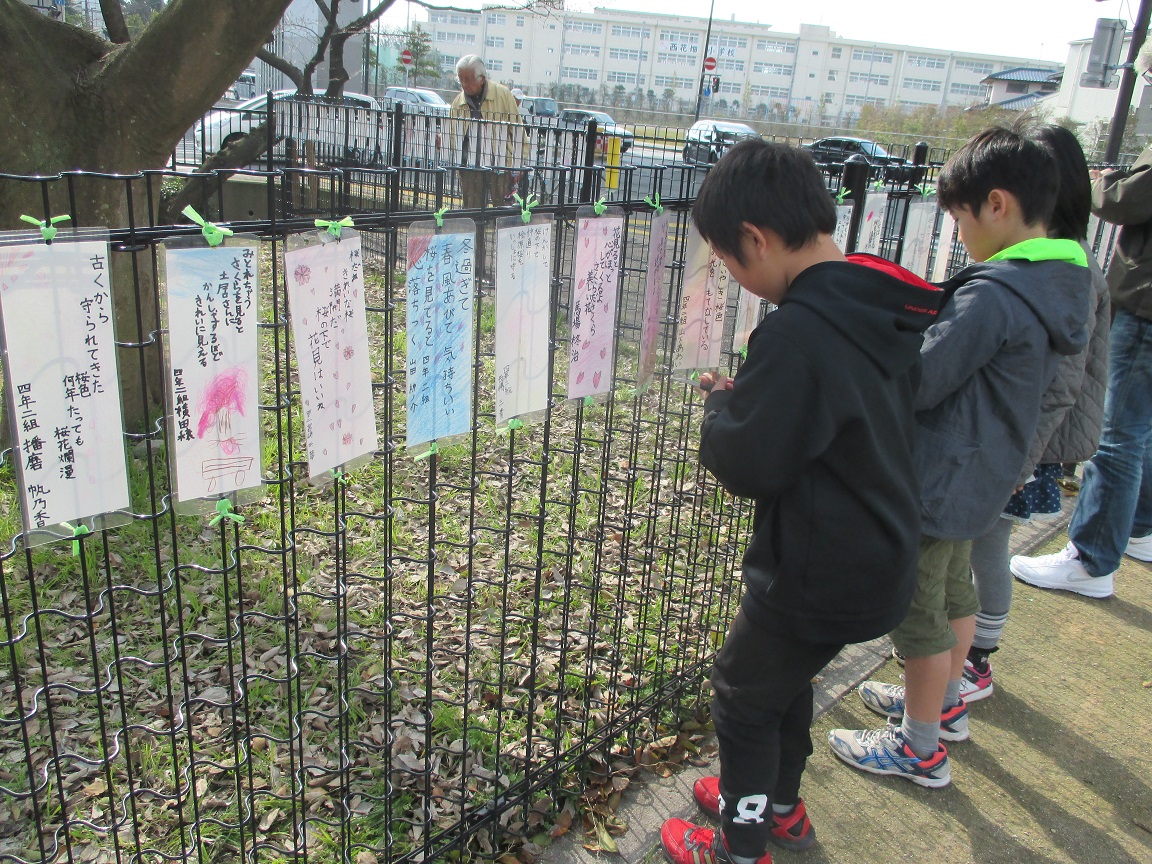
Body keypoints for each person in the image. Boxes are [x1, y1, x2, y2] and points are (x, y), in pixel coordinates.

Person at [660, 139, 941, 864]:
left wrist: (723, 414)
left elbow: (750, 461)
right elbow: (825, 422)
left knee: (743, 696)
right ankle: (777, 807)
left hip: (818, 570)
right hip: (877, 552)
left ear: (755, 239)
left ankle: (740, 842)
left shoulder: (801, 332)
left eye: (728, 260)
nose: (731, 272)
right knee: (783, 681)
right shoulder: (874, 306)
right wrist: (754, 397)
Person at [828, 127, 1090, 788]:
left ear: (996, 205)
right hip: (983, 473)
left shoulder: (993, 294)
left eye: (960, 218)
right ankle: (943, 707)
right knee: (951, 592)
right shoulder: (1054, 284)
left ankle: (918, 749)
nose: (958, 233)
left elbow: (926, 376)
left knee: (916, 613)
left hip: (938, 477)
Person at [964, 125, 1110, 697]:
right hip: (1026, 442)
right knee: (982, 546)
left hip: (1028, 446)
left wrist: (1020, 459)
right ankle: (965, 659)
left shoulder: (1068, 275)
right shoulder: (1059, 264)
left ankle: (976, 660)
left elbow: (1063, 387)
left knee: (986, 545)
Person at [1010, 135, 1152, 596]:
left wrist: (1106, 182)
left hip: (1146, 300)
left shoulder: (1066, 270)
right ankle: (1137, 528)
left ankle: (1092, 560)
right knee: (1140, 432)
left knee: (1121, 436)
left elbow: (1128, 199)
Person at [448, 55, 523, 267]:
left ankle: (508, 266)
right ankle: (474, 265)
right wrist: (443, 141)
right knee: (472, 217)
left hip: (499, 166)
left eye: (468, 79)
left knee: (504, 216)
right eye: (461, 79)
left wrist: (517, 165)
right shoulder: (458, 102)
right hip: (470, 168)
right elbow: (453, 136)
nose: (464, 84)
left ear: (482, 78)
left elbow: (517, 132)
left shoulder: (502, 95)